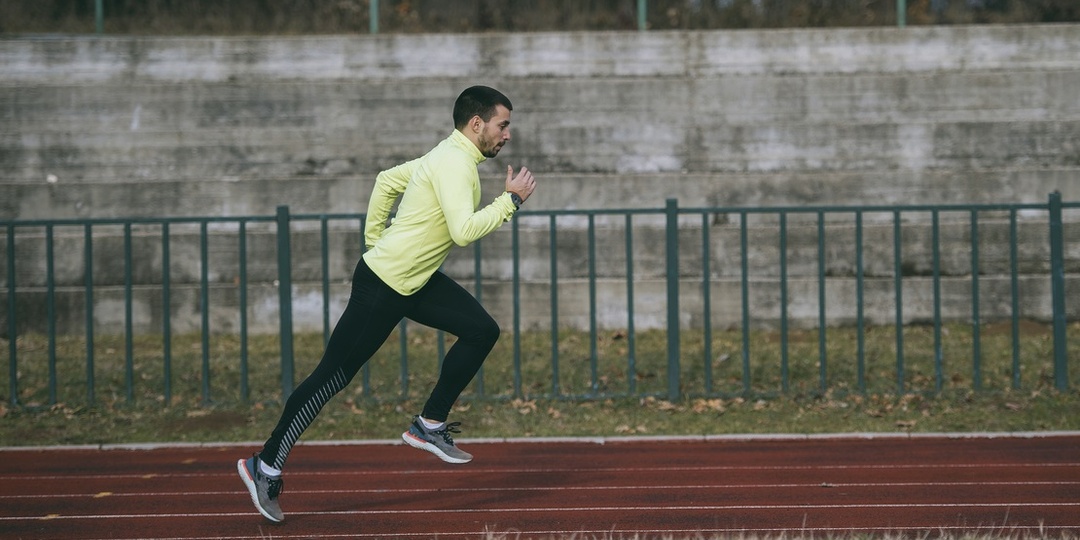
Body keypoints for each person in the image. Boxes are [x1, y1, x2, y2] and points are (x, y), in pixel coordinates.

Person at [237, 85, 536, 523]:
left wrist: (375, 241)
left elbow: (386, 180)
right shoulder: (455, 163)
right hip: (384, 285)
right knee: (331, 377)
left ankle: (429, 424)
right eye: (502, 125)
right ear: (477, 124)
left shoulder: (447, 155)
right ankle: (263, 466)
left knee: (481, 330)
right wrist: (509, 201)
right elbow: (463, 231)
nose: (507, 134)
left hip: (412, 281)